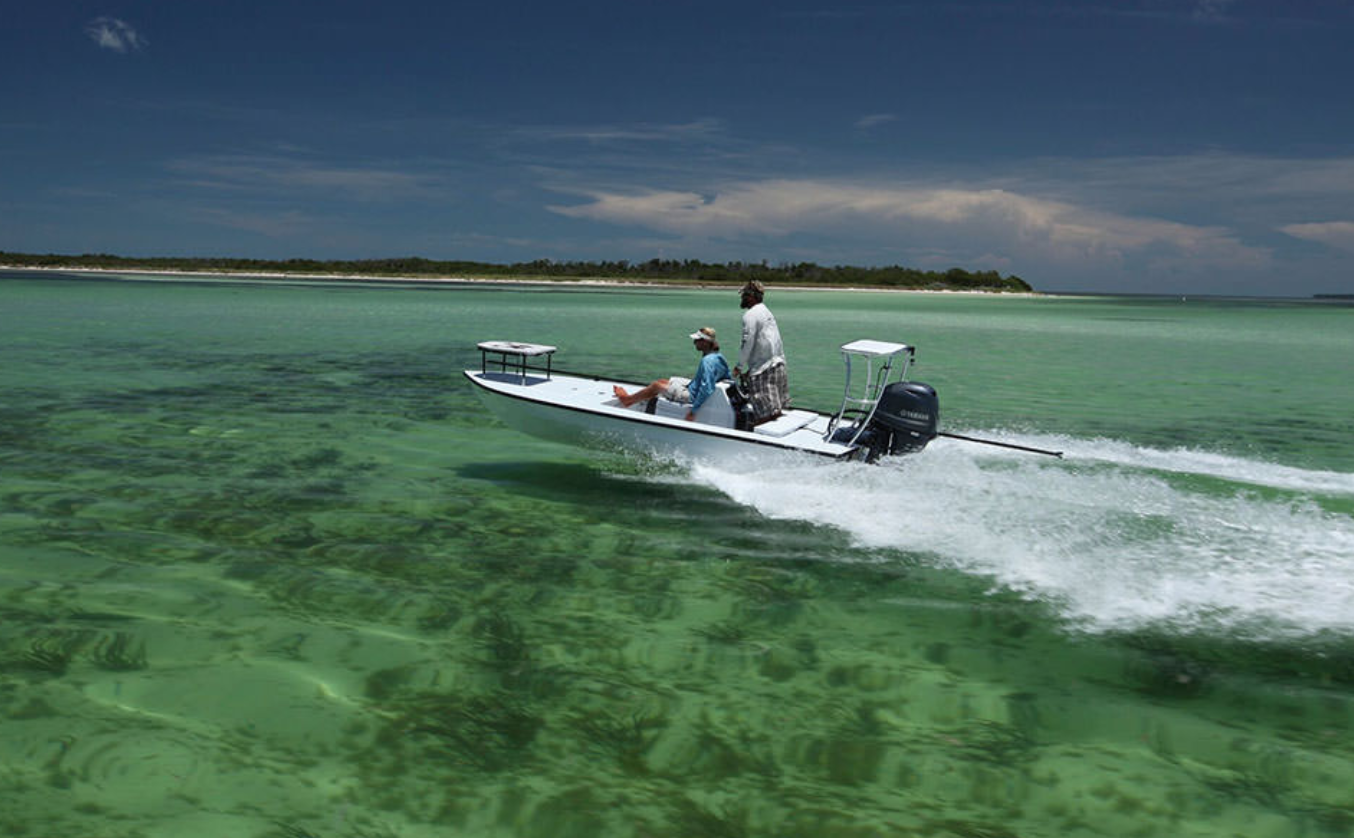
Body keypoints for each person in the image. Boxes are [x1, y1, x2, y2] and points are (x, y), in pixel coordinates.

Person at [613, 327, 731, 421]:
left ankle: (628, 400)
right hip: (694, 386)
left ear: (705, 342)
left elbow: (707, 388)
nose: (694, 342)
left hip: (691, 396)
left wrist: (693, 411)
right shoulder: (719, 357)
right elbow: (727, 376)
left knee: (656, 385)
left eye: (697, 340)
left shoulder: (707, 361)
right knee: (664, 381)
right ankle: (641, 399)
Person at [732, 280, 788, 422]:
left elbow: (747, 343)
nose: (742, 298)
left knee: (764, 414)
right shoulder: (766, 312)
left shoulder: (750, 315)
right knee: (776, 410)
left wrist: (739, 366)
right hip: (778, 364)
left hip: (763, 370)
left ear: (751, 296)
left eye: (744, 295)